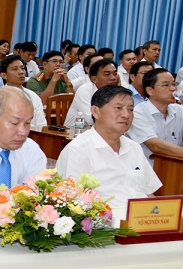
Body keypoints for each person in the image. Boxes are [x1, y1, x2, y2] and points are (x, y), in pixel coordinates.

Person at [56, 85, 160, 215]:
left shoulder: (134, 148)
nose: (126, 115)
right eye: (118, 108)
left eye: (131, 109)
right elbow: (72, 202)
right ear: (96, 111)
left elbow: (149, 193)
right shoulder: (77, 150)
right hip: (107, 227)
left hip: (143, 219)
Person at [128, 68, 183, 159]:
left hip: (174, 167)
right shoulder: (138, 113)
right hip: (147, 168)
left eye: (173, 84)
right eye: (166, 85)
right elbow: (155, 146)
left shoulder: (179, 110)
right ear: (150, 90)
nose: (173, 89)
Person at [0, 55, 47, 130]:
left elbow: (41, 124)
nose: (21, 72)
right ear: (4, 75)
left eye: (22, 68)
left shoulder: (32, 96)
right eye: (15, 69)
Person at [65, 58, 121, 127]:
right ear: (94, 79)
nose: (113, 78)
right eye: (107, 74)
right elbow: (91, 119)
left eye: (115, 74)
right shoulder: (85, 90)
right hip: (76, 132)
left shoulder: (116, 92)